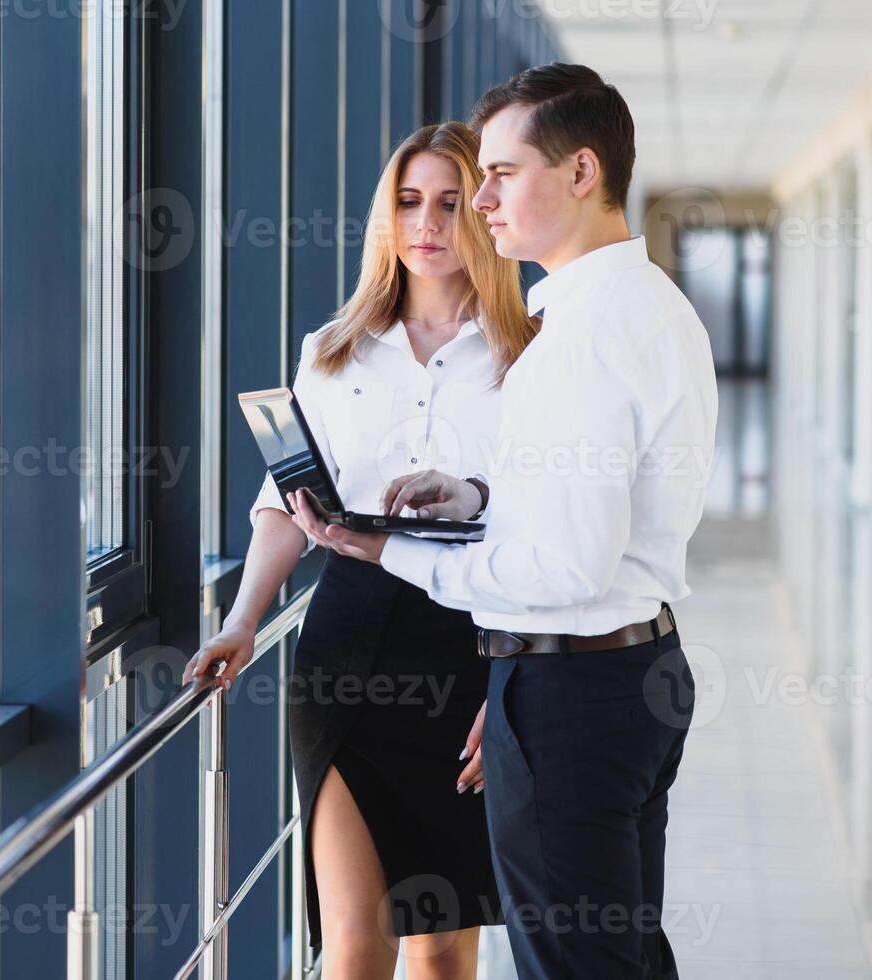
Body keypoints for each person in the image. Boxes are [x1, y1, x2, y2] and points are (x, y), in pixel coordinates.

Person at [290, 64, 718, 980]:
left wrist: (397, 552)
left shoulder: (578, 339)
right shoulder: (650, 307)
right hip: (636, 669)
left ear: (581, 173)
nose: (480, 201)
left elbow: (565, 569)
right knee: (623, 953)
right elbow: (612, 499)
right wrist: (478, 500)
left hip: (572, 689)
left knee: (576, 962)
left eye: (502, 174)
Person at [182, 121, 537, 979]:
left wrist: (522, 679)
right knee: (351, 937)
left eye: (452, 204)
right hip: (347, 641)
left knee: (446, 944)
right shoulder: (333, 350)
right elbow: (284, 503)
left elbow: (545, 522)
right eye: (409, 203)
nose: (429, 223)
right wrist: (240, 623)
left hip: (472, 635)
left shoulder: (527, 354)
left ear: (486, 216)